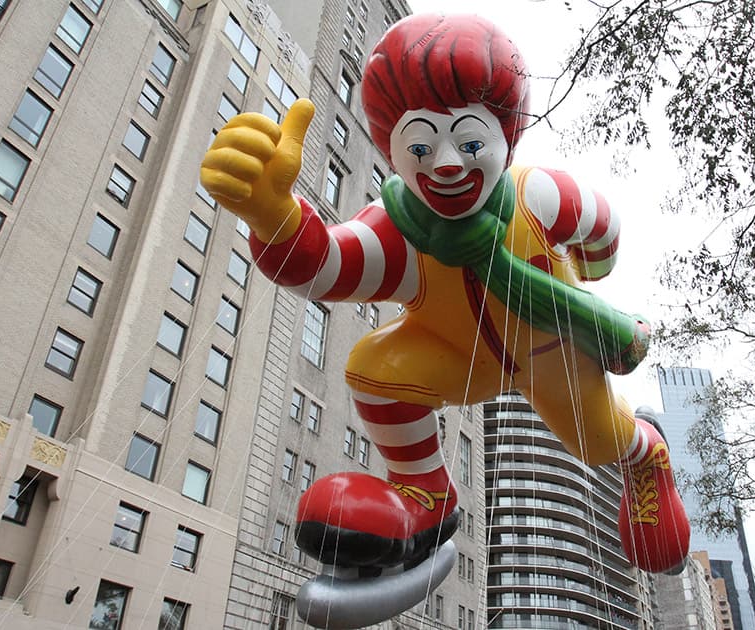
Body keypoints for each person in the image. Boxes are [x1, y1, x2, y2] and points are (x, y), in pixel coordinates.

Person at [201, 10, 689, 619]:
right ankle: (425, 494)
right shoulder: (402, 229)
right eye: (422, 146)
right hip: (455, 357)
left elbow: (604, 238)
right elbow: (325, 267)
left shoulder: (542, 196)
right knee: (372, 365)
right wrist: (272, 215)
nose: (448, 163)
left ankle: (648, 452)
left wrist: (580, 285)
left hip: (551, 353)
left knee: (598, 443)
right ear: (395, 152)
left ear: (505, 137)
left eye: (470, 140)